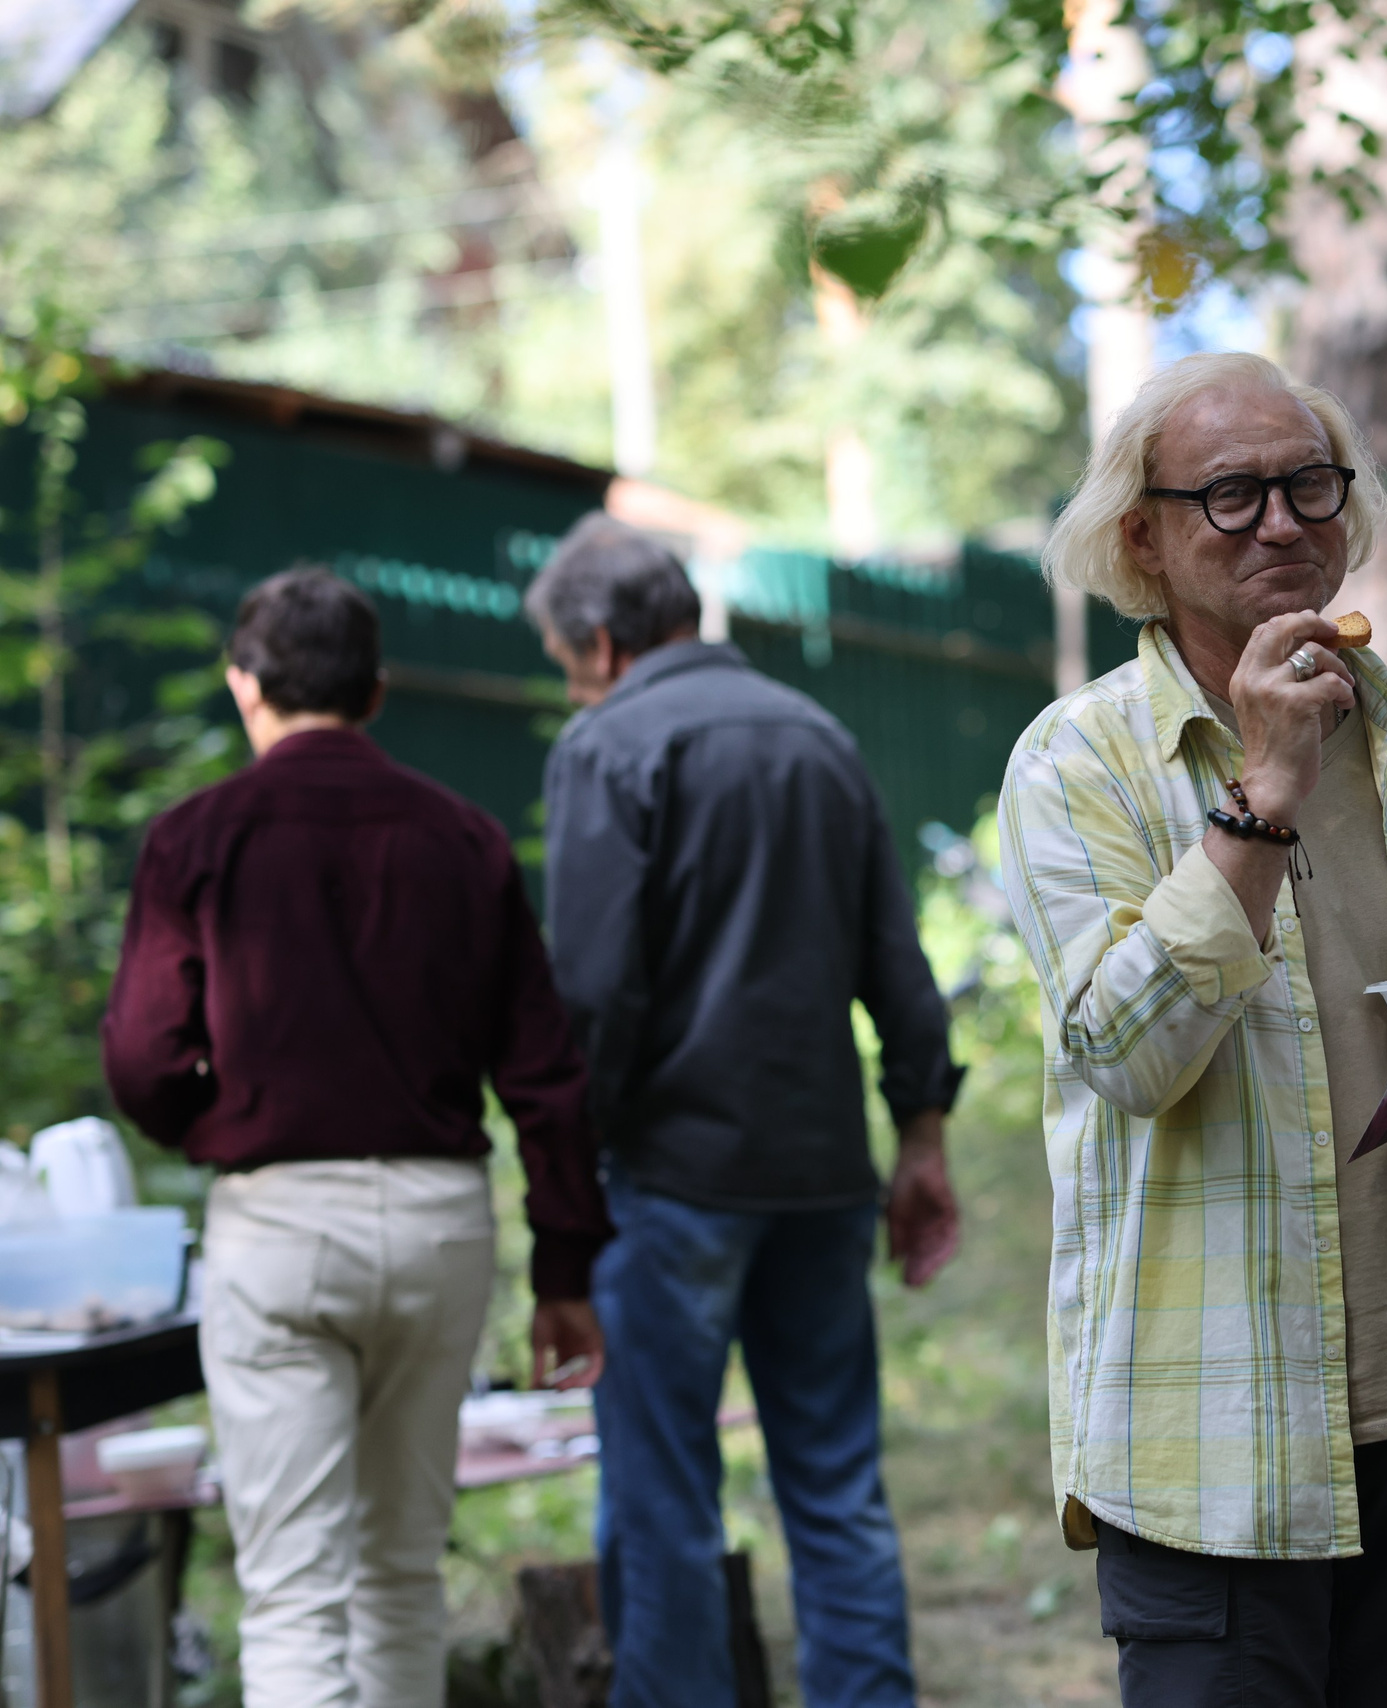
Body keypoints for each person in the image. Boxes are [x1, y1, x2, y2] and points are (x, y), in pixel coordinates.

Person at [998, 351, 1387, 1708]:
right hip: (1215, 1440)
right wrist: (1265, 789)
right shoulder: (1076, 764)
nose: (1280, 521)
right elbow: (1128, 1054)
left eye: (1307, 484)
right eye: (1230, 495)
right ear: (1139, 535)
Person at [102, 567, 611, 1708]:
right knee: (398, 1573)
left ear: (245, 689)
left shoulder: (194, 838)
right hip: (437, 1225)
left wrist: (215, 1122)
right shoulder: (466, 840)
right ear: (377, 692)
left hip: (277, 1224)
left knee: (291, 1592)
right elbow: (544, 1075)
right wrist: (565, 1268)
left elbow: (140, 1057)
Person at [529, 514, 964, 1708]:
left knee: (662, 1500)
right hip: (823, 1176)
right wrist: (919, 1135)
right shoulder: (819, 735)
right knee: (836, 1487)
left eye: (570, 671)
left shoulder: (606, 745)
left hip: (669, 1183)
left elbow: (593, 994)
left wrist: (568, 1180)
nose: (574, 693)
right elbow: (900, 965)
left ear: (604, 645)